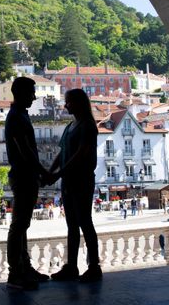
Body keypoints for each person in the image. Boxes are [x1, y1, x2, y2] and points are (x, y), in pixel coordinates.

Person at [48, 88, 102, 283]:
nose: (65, 105)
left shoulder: (87, 126)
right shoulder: (71, 126)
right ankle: (72, 266)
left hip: (82, 180)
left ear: (78, 103)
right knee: (72, 224)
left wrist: (57, 174)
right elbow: (61, 154)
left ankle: (94, 267)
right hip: (69, 181)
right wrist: (52, 172)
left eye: (68, 101)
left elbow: (81, 154)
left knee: (85, 222)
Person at [5, 76, 52, 290]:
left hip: (26, 175)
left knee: (22, 225)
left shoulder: (19, 115)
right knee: (19, 225)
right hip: (23, 176)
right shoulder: (16, 117)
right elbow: (25, 150)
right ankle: (16, 273)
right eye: (31, 93)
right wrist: (42, 171)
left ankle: (24, 267)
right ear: (22, 93)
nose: (34, 97)